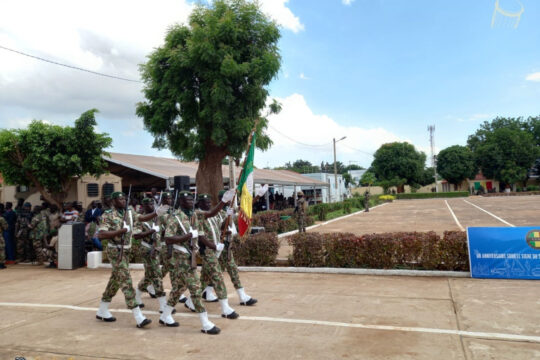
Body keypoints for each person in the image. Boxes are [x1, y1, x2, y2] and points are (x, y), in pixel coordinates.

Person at [160, 190, 231, 334]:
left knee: (178, 289)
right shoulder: (175, 218)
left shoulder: (194, 214)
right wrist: (187, 236)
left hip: (190, 256)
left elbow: (210, 213)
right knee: (196, 288)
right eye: (188, 200)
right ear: (181, 202)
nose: (191, 202)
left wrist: (223, 201)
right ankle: (205, 323)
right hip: (181, 258)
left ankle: (165, 315)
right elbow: (168, 239)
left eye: (192, 200)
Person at [95, 191, 151, 329]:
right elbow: (101, 234)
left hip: (126, 250)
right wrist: (119, 232)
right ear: (113, 201)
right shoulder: (108, 215)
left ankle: (102, 309)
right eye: (120, 199)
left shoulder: (130, 212)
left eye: (124, 198)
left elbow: (142, 218)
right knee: (126, 281)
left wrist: (157, 214)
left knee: (115, 280)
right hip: (116, 251)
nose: (123, 200)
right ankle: (138, 316)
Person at [184, 193, 238, 320]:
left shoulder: (213, 215)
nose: (208, 204)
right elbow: (201, 237)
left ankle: (191, 302)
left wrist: (229, 215)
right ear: (200, 203)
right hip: (207, 251)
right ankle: (225, 308)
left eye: (209, 202)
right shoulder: (198, 214)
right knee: (218, 277)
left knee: (204, 279)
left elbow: (222, 225)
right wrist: (223, 202)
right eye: (206, 202)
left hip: (215, 250)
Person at [133, 197, 168, 314]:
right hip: (147, 249)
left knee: (149, 275)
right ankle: (163, 305)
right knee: (157, 275)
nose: (151, 206)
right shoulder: (140, 219)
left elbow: (163, 231)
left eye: (152, 203)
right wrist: (151, 231)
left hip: (156, 249)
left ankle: (136, 295)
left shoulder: (157, 217)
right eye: (147, 204)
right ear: (143, 206)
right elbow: (136, 235)